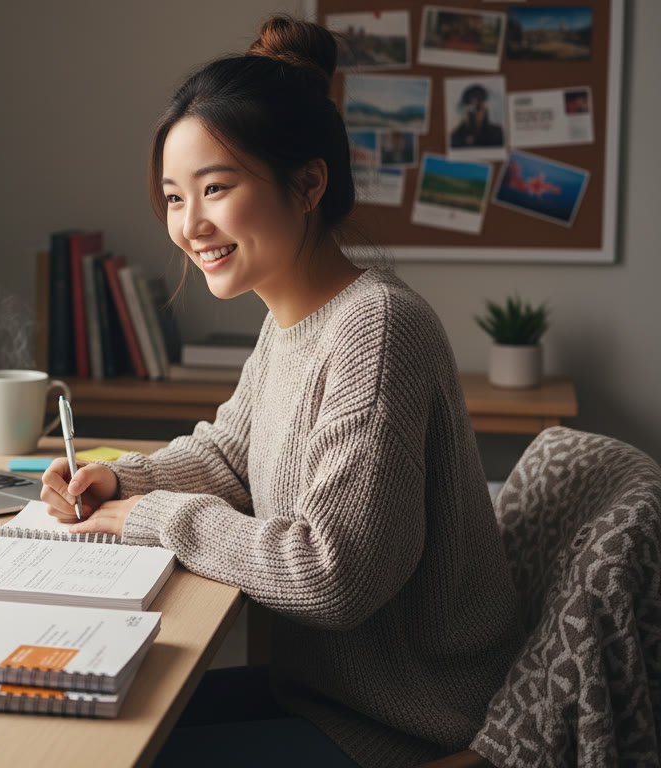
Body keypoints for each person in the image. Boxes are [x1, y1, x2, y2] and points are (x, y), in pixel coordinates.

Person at [38, 15, 524, 768]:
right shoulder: (293, 319)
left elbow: (333, 575)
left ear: (308, 183)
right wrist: (120, 477)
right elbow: (234, 456)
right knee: (79, 719)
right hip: (324, 697)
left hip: (404, 725)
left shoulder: (377, 328)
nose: (189, 225)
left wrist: (154, 517)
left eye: (216, 188)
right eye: (173, 197)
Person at [450, 83, 504, 148]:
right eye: (470, 108)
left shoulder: (497, 134)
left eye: (478, 108)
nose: (474, 113)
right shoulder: (455, 137)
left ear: (484, 109)